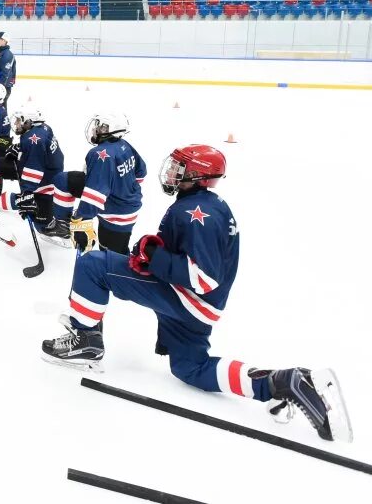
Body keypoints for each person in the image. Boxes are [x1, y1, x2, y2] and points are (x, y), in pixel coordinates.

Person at [41, 145, 352, 443]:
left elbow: (202, 278)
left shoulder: (194, 212)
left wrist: (154, 257)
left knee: (95, 265)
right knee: (189, 367)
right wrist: (157, 250)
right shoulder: (209, 205)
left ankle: (86, 342)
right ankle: (280, 382)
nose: (172, 171)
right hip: (203, 307)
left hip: (190, 298)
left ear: (198, 175)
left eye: (180, 167)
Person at [45, 113, 145, 254]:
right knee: (62, 180)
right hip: (121, 200)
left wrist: (82, 220)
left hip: (117, 214)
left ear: (109, 129)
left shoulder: (98, 153)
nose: (95, 129)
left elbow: (95, 194)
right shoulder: (124, 144)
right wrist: (123, 186)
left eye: (100, 126)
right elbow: (141, 172)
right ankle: (62, 225)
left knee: (111, 258)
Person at [0, 104, 64, 227]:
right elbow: (42, 154)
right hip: (43, 170)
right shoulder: (43, 128)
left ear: (29, 122)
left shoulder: (34, 140)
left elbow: (34, 168)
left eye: (19, 121)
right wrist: (20, 149)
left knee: (40, 223)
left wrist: (27, 194)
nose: (16, 124)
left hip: (44, 180)